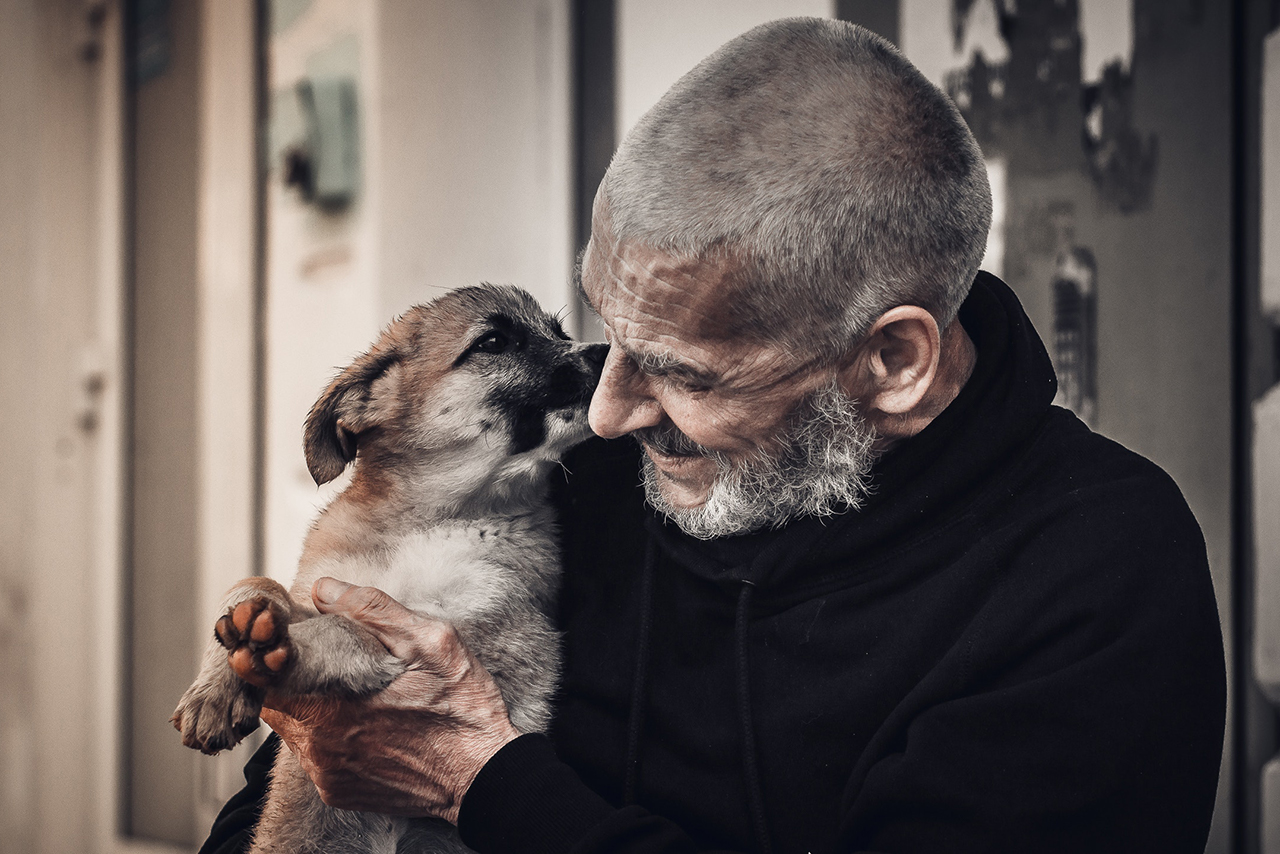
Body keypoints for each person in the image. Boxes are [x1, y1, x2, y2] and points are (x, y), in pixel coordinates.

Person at [202, 18, 1225, 854]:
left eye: (683, 373)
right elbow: (299, 772)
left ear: (892, 362)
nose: (604, 411)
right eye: (607, 329)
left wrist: (491, 786)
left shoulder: (1096, 568)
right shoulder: (589, 481)